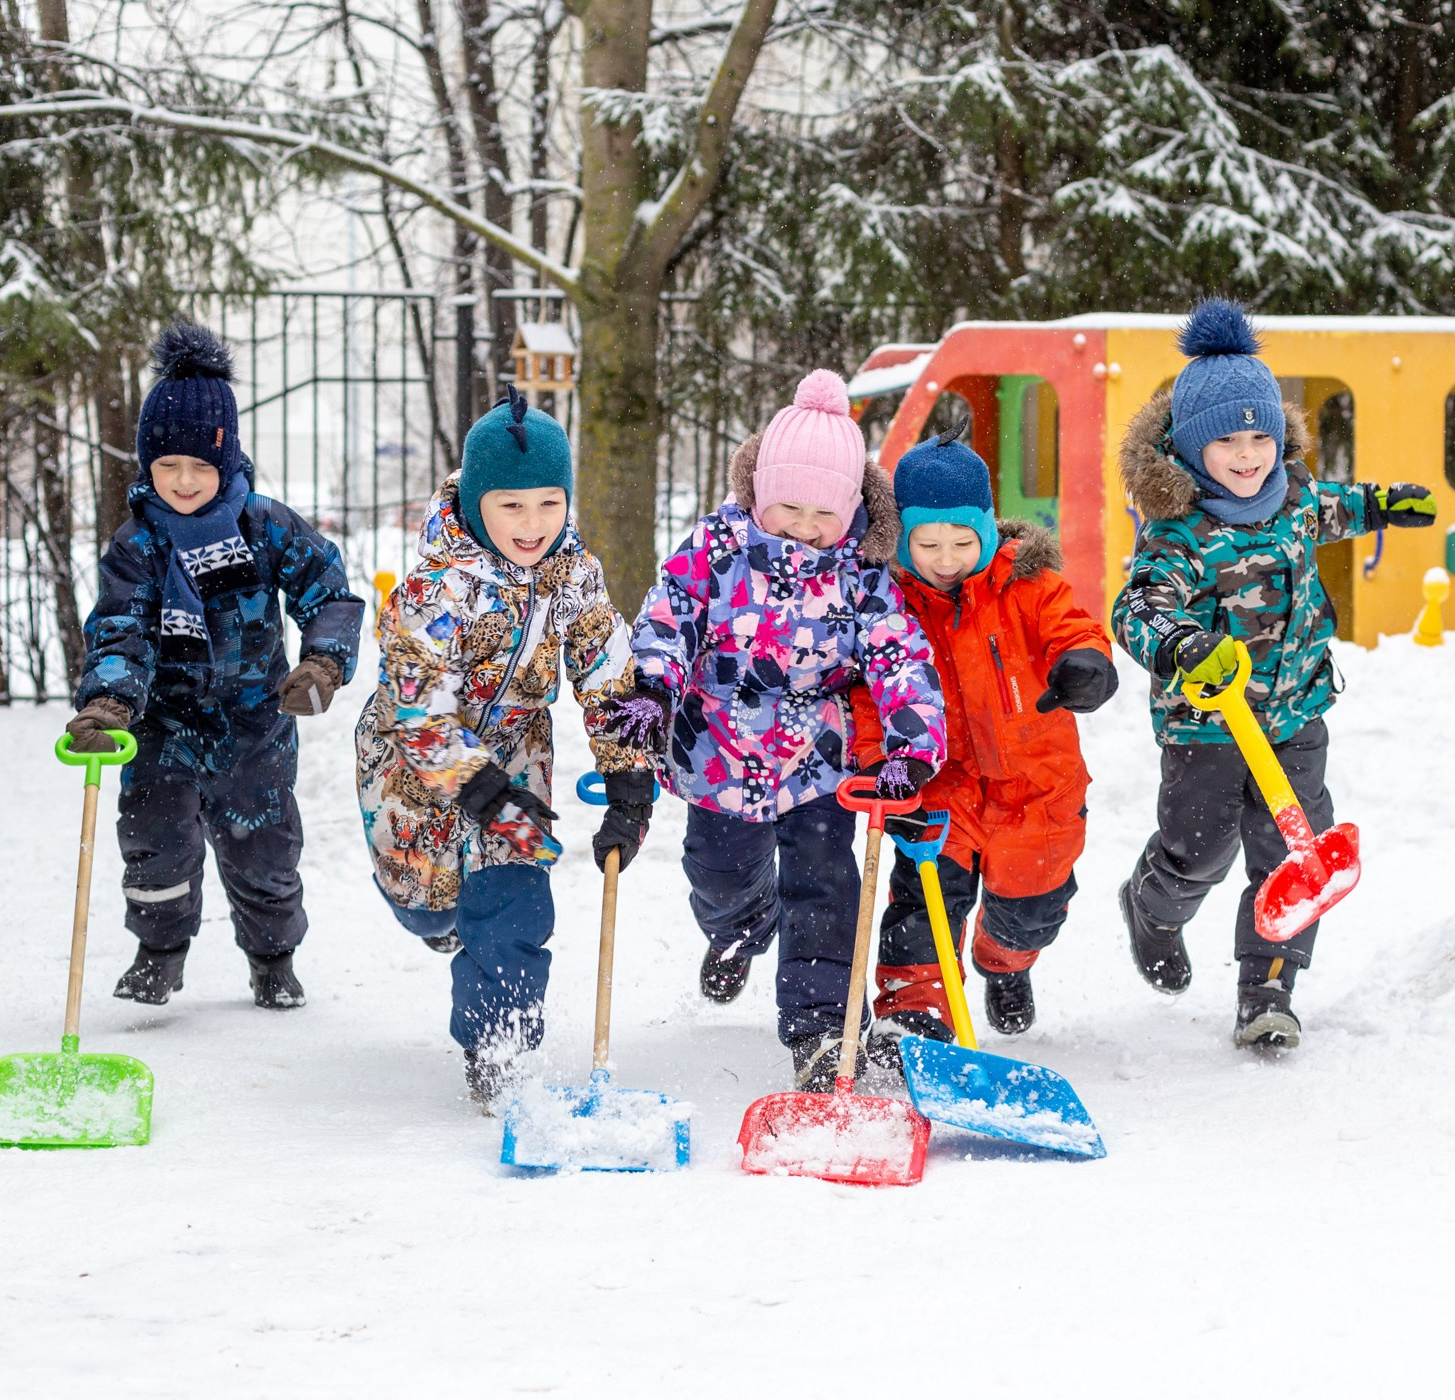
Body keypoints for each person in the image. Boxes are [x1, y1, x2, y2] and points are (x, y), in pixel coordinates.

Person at [1113, 298, 1437, 1049]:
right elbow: (1137, 608)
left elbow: (1334, 508)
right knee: (1200, 854)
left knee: (1293, 852)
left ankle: (1267, 991)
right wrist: (1184, 645)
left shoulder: (1292, 501)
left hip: (1294, 714)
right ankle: (1152, 907)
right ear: (1194, 448)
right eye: (1227, 439)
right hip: (1209, 726)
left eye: (1261, 434)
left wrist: (1382, 505)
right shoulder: (1181, 531)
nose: (1249, 453)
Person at [623, 370, 946, 1087]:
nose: (804, 527)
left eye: (823, 515)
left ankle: (823, 1030)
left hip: (817, 762)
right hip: (718, 753)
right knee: (721, 877)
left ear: (852, 512)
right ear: (760, 493)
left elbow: (901, 656)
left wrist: (913, 748)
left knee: (827, 891)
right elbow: (668, 615)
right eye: (788, 507)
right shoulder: (715, 547)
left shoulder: (862, 577)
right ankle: (738, 930)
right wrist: (651, 684)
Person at [356, 388, 656, 1110]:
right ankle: (439, 921)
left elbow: (607, 671)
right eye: (511, 506)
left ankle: (500, 1044)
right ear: (478, 501)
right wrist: (474, 784)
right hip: (413, 768)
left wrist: (630, 780)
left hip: (518, 755)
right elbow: (413, 702)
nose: (533, 525)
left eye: (549, 504)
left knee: (516, 903)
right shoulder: (436, 586)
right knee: (427, 906)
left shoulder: (574, 576)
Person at [65, 324, 362, 1010]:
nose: (185, 481)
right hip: (164, 724)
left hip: (256, 719)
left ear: (226, 461)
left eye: (200, 466)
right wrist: (109, 702)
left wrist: (321, 663)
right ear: (147, 466)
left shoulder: (266, 526)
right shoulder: (138, 545)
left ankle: (272, 959)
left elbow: (330, 593)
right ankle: (160, 954)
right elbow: (120, 629)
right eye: (168, 466)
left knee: (264, 853)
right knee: (153, 844)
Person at [850, 427, 1117, 1040]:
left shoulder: (1027, 585)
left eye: (962, 542)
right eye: (928, 543)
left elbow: (1073, 630)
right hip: (938, 788)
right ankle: (913, 1016)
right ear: (902, 539)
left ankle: (1004, 963)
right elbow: (866, 694)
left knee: (1031, 913)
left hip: (1036, 790)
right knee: (922, 905)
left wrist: (1086, 665)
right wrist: (876, 761)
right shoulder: (889, 604)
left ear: (989, 530)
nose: (945, 559)